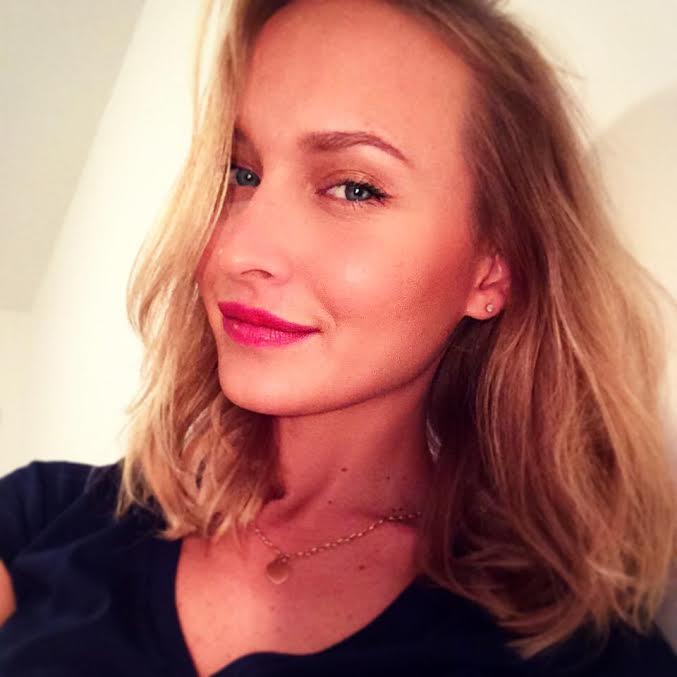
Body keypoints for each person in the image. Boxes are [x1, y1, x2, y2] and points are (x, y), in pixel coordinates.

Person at [1, 0, 676, 674]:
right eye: (241, 173)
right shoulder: (48, 515)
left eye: (353, 188)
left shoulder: (580, 657)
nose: (238, 249)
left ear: (491, 269)